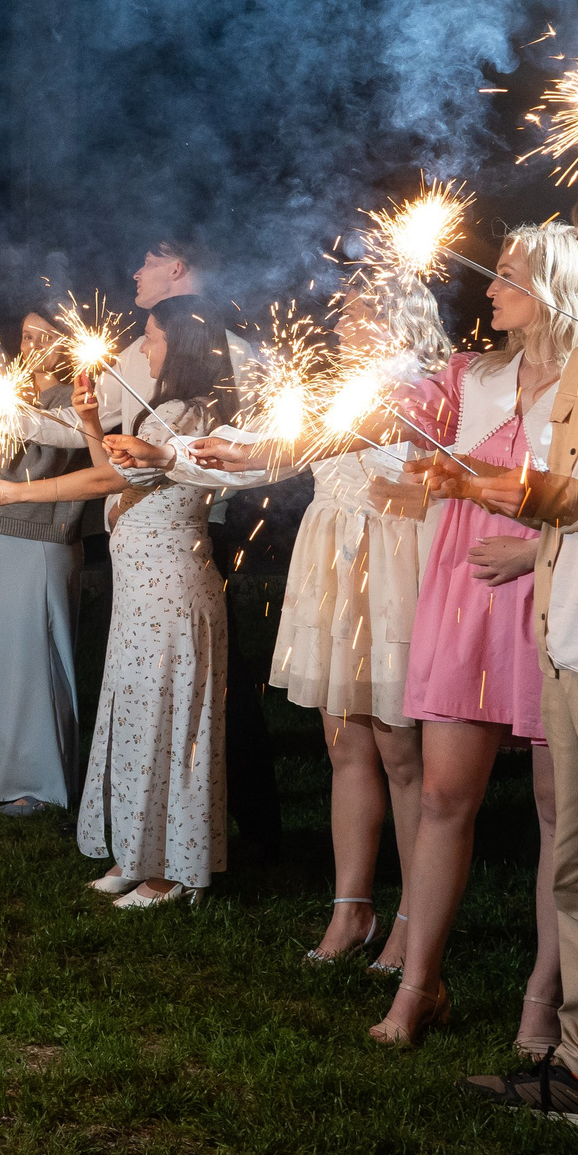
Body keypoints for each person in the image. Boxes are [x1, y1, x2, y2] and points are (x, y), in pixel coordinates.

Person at [369, 221, 578, 1048]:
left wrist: (534, 549)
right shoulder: (471, 373)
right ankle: (419, 987)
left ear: (550, 290)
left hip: (547, 600)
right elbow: (386, 417)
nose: (489, 290)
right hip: (464, 597)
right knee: (440, 795)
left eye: (505, 277)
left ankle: (543, 999)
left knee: (555, 812)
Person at [188, 274, 448, 972]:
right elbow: (286, 445)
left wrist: (260, 450)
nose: (340, 324)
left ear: (398, 317)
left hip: (390, 568)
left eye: (358, 312)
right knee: (343, 749)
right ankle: (350, 909)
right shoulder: (346, 388)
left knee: (401, 754)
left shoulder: (425, 386)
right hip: (335, 566)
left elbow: (312, 441)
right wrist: (202, 453)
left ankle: (412, 920)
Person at [444, 202, 578, 1118]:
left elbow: (570, 492)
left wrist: (524, 493)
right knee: (576, 864)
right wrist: (472, 480)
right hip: (569, 643)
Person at [107, 237, 288, 868]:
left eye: (146, 261)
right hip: (146, 525)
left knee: (217, 684)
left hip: (206, 527)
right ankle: (166, 826)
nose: (134, 270)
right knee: (166, 685)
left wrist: (184, 471)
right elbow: (115, 442)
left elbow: (266, 445)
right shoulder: (139, 347)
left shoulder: (230, 348)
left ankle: (247, 825)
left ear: (177, 269)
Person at [77, 295, 236, 908]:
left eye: (152, 336)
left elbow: (104, 482)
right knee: (140, 720)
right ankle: (138, 853)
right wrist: (93, 425)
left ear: (184, 345)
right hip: (141, 595)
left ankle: (173, 873)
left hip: (170, 594)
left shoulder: (191, 414)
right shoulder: (167, 409)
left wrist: (14, 493)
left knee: (168, 724)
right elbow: (118, 474)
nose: (144, 347)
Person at [0, 308, 93, 816]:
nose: (31, 343)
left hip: (36, 538)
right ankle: (8, 768)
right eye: (25, 334)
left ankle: (41, 786)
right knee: (7, 658)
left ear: (69, 344)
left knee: (36, 659)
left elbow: (63, 442)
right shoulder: (14, 395)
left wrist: (2, 399)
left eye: (45, 335)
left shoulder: (71, 400)